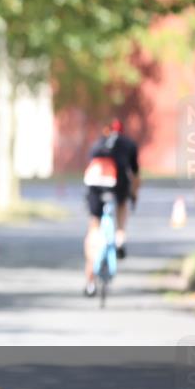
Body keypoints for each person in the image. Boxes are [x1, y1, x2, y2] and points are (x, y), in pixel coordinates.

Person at [83, 119, 140, 296]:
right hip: (117, 182)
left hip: (95, 182)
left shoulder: (98, 143)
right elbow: (135, 176)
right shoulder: (129, 144)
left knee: (94, 226)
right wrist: (133, 197)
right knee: (122, 207)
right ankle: (120, 238)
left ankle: (90, 279)